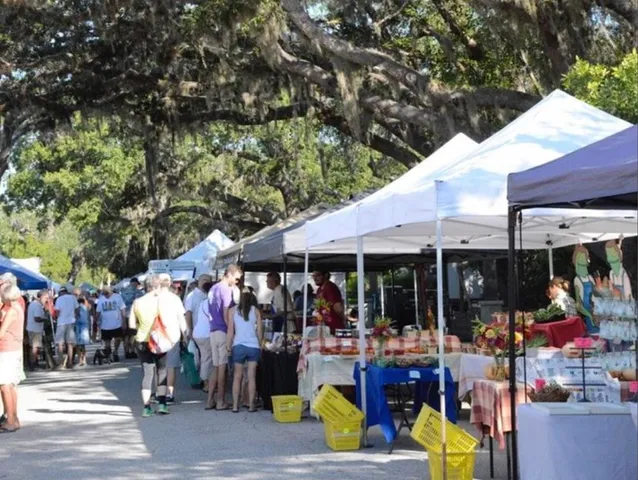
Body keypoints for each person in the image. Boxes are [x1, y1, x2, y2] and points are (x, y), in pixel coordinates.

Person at [129, 274, 189, 417]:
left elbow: (131, 324)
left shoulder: (137, 302)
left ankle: (146, 407)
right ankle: (162, 404)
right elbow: (169, 320)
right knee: (161, 371)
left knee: (147, 373)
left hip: (142, 340)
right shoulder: (161, 302)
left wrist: (141, 328)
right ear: (156, 287)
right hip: (159, 340)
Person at [206, 264, 242, 411]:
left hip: (213, 330)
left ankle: (210, 400)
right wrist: (231, 332)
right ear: (230, 275)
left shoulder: (213, 289)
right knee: (222, 368)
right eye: (237, 278)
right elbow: (226, 311)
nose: (237, 282)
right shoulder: (226, 289)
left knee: (216, 366)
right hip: (222, 331)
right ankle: (220, 401)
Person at [227, 289, 263, 413]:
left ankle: (236, 405)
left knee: (237, 376)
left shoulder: (232, 311)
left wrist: (228, 345)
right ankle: (252, 405)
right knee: (251, 377)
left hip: (238, 346)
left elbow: (231, 331)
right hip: (253, 346)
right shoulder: (256, 311)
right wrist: (261, 343)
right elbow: (259, 331)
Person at [0, 283, 26, 433]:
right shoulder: (18, 308)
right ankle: (14, 419)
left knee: (4, 386)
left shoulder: (11, 312)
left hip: (6, 350)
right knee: (10, 386)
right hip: (14, 350)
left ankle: (10, 420)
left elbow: (1, 333)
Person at [161, 273, 188, 404]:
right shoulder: (175, 299)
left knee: (159, 366)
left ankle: (160, 393)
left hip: (158, 336)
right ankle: (169, 394)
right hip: (173, 336)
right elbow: (181, 319)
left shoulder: (154, 298)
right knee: (171, 366)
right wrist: (185, 334)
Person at [185, 275, 213, 391]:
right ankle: (204, 381)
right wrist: (189, 329)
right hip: (199, 332)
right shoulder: (192, 296)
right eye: (203, 280)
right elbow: (188, 314)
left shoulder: (208, 295)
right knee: (204, 357)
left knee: (203, 357)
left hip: (204, 332)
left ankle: (204, 379)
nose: (205, 282)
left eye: (208, 281)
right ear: (198, 282)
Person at [572, 245, 598, 334]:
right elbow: (578, 305)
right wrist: (589, 316)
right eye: (579, 256)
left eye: (584, 256)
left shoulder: (590, 277)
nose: (582, 259)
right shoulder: (577, 280)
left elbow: (596, 295)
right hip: (588, 314)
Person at [97, 286, 126, 362]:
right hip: (105, 324)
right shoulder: (101, 299)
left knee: (118, 338)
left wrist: (123, 321)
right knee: (107, 340)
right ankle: (109, 354)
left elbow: (122, 309)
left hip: (117, 323)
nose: (106, 295)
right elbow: (98, 311)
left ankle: (115, 351)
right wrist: (96, 321)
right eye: (104, 293)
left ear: (111, 292)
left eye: (107, 293)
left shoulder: (117, 297)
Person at [54, 287, 79, 369]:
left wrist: (57, 317)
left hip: (61, 322)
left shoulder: (59, 299)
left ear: (60, 292)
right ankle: (70, 362)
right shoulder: (73, 298)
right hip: (71, 322)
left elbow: (57, 311)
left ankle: (61, 363)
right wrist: (75, 317)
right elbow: (77, 309)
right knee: (70, 343)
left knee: (60, 343)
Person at [121, 278, 145, 359]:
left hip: (124, 316)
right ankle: (132, 351)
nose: (137, 285)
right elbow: (141, 304)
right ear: (135, 283)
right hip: (134, 316)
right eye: (137, 284)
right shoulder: (138, 292)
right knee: (133, 335)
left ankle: (126, 351)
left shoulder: (123, 292)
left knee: (126, 336)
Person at [26, 290, 49, 370]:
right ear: (42, 297)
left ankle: (33, 362)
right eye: (46, 298)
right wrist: (45, 319)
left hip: (32, 328)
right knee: (35, 347)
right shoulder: (37, 305)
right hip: (35, 329)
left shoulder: (33, 304)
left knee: (33, 346)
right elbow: (37, 318)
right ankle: (32, 364)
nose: (47, 300)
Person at [75, 295, 91, 367]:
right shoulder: (86, 308)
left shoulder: (76, 307)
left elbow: (75, 315)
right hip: (85, 326)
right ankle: (84, 359)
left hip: (78, 325)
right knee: (83, 345)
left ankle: (79, 359)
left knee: (78, 345)